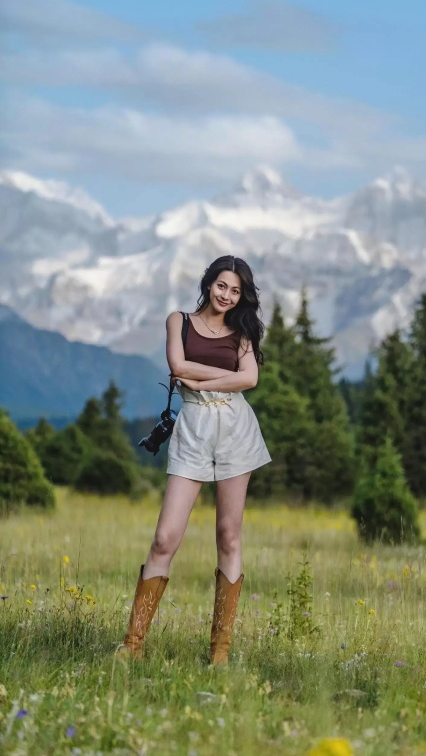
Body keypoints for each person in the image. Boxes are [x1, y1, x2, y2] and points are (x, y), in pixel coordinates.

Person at [117, 255, 271, 665]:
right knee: (165, 537)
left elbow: (249, 379)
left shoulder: (242, 332)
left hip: (236, 428)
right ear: (208, 283)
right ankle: (132, 646)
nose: (227, 295)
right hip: (194, 427)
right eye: (222, 286)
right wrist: (220, 376)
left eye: (236, 291)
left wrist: (198, 378)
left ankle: (219, 653)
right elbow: (177, 365)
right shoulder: (179, 321)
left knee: (229, 536)